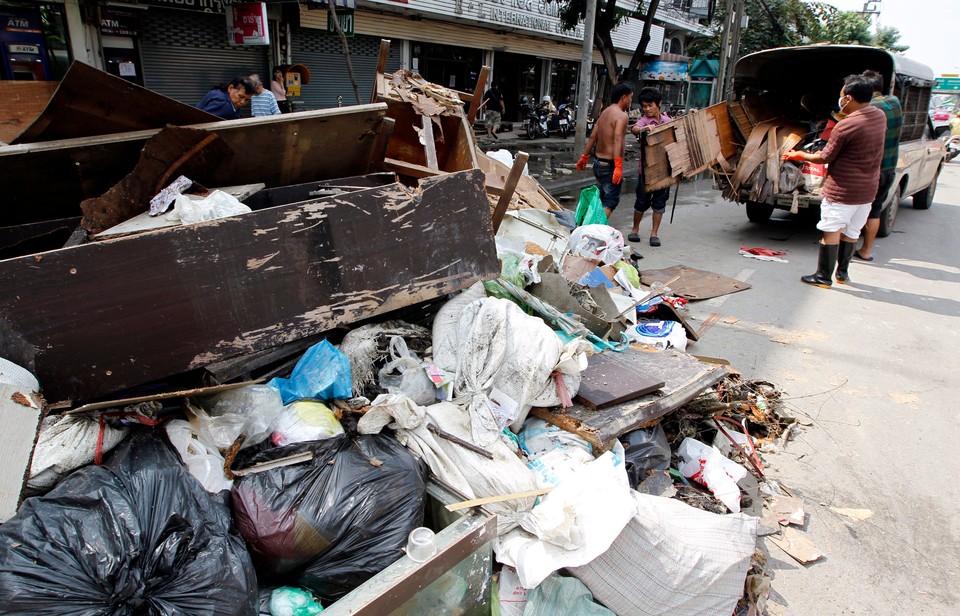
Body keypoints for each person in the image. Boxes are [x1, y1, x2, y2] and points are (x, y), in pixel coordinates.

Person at [783, 74, 887, 288]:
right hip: (867, 190)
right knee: (851, 232)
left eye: (841, 95)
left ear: (848, 98)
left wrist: (800, 156)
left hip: (843, 189)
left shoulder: (847, 125)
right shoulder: (879, 116)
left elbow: (825, 157)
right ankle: (842, 274)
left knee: (831, 230)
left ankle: (822, 277)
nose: (840, 100)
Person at [854, 69, 903, 262]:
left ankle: (841, 256)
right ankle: (866, 250)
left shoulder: (867, 110)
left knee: (851, 210)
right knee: (875, 210)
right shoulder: (895, 102)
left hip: (868, 170)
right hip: (888, 168)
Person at [576, 82, 634, 218]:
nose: (631, 101)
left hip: (597, 163)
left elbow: (592, 136)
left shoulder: (605, 112)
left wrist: (584, 157)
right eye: (631, 97)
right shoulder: (622, 116)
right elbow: (617, 140)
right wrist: (618, 166)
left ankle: (590, 227)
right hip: (610, 165)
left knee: (601, 199)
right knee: (610, 201)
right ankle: (594, 229)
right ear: (624, 97)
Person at [627, 87, 672, 246]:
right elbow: (634, 128)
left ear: (659, 104)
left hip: (665, 171)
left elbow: (679, 128)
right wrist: (645, 129)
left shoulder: (667, 121)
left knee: (660, 203)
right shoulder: (644, 121)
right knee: (641, 202)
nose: (647, 109)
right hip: (646, 171)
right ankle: (635, 229)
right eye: (644, 106)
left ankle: (654, 234)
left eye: (650, 105)